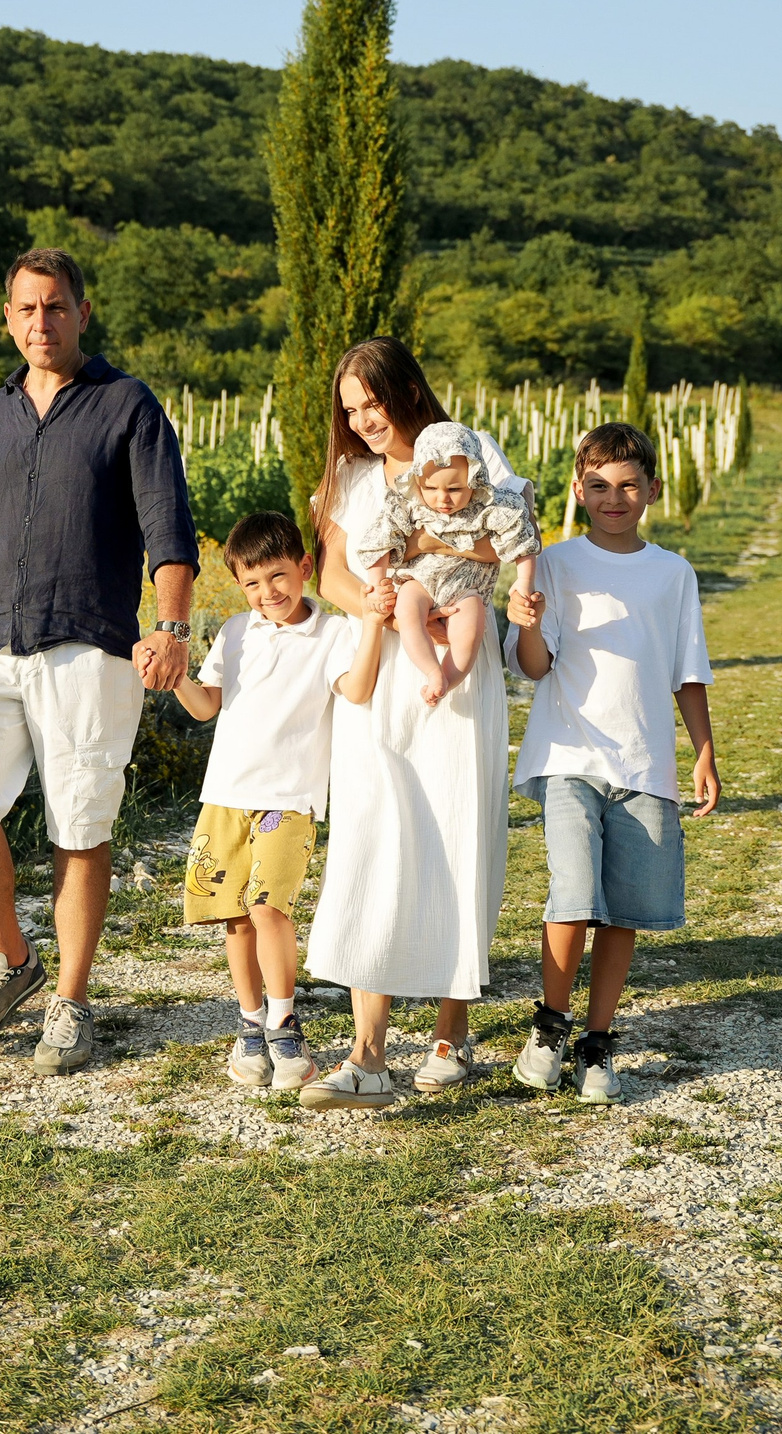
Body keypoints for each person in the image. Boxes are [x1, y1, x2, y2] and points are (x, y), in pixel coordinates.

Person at [0, 247, 199, 1076]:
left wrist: (172, 629)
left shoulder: (127, 404)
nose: (42, 322)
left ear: (81, 313)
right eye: (27, 308)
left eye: (56, 306)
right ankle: (11, 958)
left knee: (80, 826)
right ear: (8, 318)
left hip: (89, 646)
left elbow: (168, 526)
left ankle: (70, 999)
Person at [297, 338, 524, 1111]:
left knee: (459, 830)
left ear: (409, 392)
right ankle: (367, 1056)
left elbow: (510, 540)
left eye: (374, 403)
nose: (363, 420)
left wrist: (423, 549)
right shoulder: (351, 477)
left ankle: (451, 1034)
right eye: (351, 409)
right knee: (374, 837)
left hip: (457, 668)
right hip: (382, 668)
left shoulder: (470, 448)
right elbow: (332, 570)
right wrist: (376, 606)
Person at [504, 422, 720, 1104]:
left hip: (645, 763)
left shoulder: (673, 573)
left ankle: (597, 1042)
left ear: (653, 489)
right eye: (598, 486)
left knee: (624, 909)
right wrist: (527, 620)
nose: (614, 498)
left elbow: (688, 671)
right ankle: (550, 1026)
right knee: (573, 895)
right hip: (569, 755)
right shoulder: (555, 564)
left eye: (629, 485)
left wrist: (704, 752)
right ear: (578, 490)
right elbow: (534, 666)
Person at [167, 511, 383, 1092]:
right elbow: (206, 706)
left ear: (305, 567)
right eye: (253, 583)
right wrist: (174, 677)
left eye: (278, 576)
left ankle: (285, 1025)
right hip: (225, 796)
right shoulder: (236, 631)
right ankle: (250, 1025)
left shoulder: (334, 633)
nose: (268, 593)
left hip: (289, 799)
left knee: (268, 909)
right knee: (235, 918)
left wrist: (373, 625)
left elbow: (358, 689)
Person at [358, 419, 541, 706]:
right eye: (431, 487)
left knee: (470, 628)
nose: (442, 499)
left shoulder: (489, 506)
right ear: (418, 481)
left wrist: (524, 581)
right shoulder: (409, 504)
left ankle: (448, 679)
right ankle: (431, 670)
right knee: (407, 611)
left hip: (466, 586)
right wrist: (377, 583)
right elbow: (381, 539)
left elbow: (521, 539)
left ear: (474, 479)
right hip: (419, 580)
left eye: (455, 489)